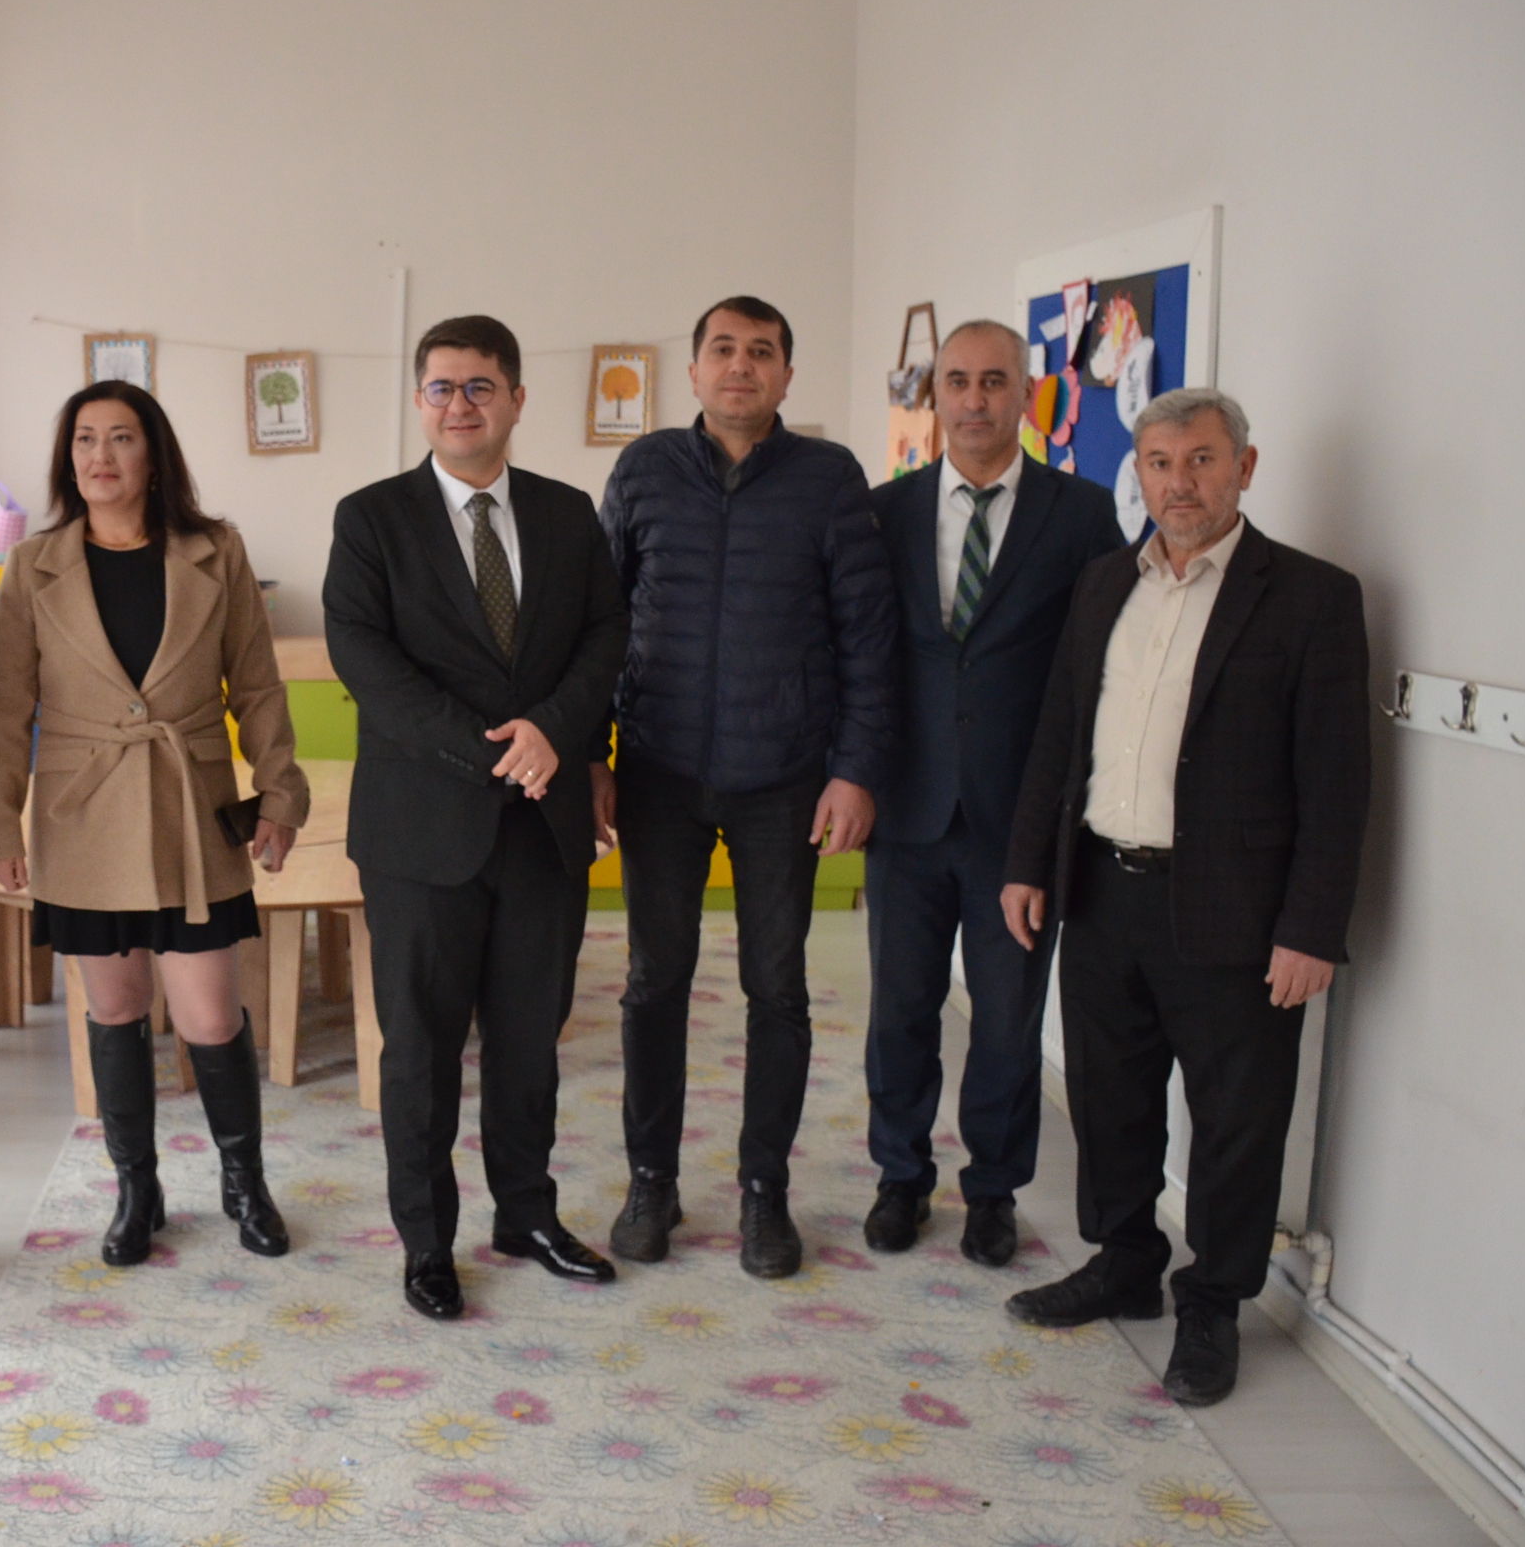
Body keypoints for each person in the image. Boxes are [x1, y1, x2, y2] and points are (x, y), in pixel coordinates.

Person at [1000, 386, 1369, 1407]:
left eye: (1201, 460)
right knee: (1109, 1096)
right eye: (1160, 464)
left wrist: (1311, 929)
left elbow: (1338, 783)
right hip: (1101, 889)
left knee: (1236, 1118)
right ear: (1140, 474)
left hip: (1237, 910)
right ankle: (1124, 1262)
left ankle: (1212, 1303)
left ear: (1243, 468)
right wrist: (1028, 862)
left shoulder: (1310, 598)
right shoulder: (1101, 585)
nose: (1180, 483)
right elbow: (1058, 735)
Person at [324, 315, 628, 1320]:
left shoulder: (567, 513)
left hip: (544, 828)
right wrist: (501, 748)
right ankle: (427, 1242)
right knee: (419, 1050)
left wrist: (556, 731)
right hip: (421, 834)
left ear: (516, 399)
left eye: (481, 386)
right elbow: (367, 663)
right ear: (419, 401)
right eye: (442, 387)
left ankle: (526, 1215)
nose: (461, 405)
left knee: (530, 1041)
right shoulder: (371, 519)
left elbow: (606, 637)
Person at [593, 296, 897, 1280]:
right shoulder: (643, 470)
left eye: (760, 351)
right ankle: (651, 1179)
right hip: (660, 770)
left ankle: (764, 1189)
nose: (740, 366)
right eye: (722, 349)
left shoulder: (828, 477)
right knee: (654, 982)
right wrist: (593, 754)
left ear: (785, 375)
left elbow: (867, 638)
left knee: (778, 988)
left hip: (784, 778)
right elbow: (597, 624)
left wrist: (854, 770)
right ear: (692, 371)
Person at [0, 382, 308, 1269]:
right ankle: (137, 1189)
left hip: (190, 807)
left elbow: (258, 684)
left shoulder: (215, 551)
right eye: (85, 439)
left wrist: (280, 791)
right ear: (68, 458)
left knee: (209, 1015)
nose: (101, 456)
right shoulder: (33, 565)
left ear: (154, 455)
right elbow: (3, 704)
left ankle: (245, 1183)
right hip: (82, 815)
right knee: (116, 1009)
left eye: (121, 438)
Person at [861, 322, 1124, 1265]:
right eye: (958, 381)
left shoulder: (1082, 514)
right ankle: (901, 1177)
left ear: (1026, 394)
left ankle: (993, 1192)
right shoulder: (884, 512)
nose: (974, 399)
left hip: (1019, 822)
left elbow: (1101, 665)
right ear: (935, 393)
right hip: (907, 809)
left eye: (994, 381)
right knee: (901, 1009)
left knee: (1008, 1019)